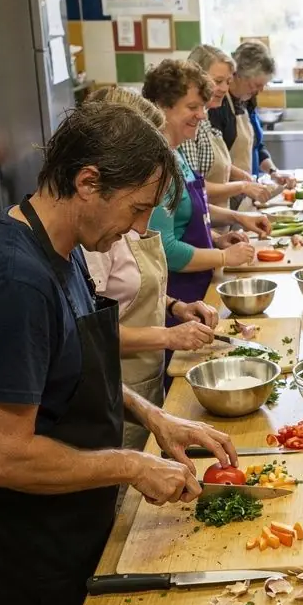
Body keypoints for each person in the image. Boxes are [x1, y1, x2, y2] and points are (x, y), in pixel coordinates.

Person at [0, 103, 239, 605]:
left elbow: (77, 368)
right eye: (133, 209)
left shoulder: (61, 254)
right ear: (88, 182)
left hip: (79, 527)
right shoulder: (15, 280)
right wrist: (129, 467)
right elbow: (0, 455)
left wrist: (153, 416)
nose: (136, 229)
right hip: (32, 550)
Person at [82, 88, 218, 447]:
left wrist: (174, 307)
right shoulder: (94, 236)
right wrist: (169, 336)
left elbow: (127, 291)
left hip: (146, 385)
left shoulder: (129, 213)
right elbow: (87, 336)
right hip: (112, 395)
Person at [142, 60, 269, 311]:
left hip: (198, 286)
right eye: (192, 107)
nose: (201, 114)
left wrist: (218, 237)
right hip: (177, 295)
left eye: (202, 106)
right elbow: (166, 248)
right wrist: (224, 257)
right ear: (162, 107)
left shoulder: (175, 154)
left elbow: (187, 214)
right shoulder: (157, 164)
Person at [179, 45, 276, 205]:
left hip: (217, 215)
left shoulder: (204, 120)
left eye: (227, 81)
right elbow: (191, 190)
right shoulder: (188, 124)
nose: (224, 88)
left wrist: (247, 178)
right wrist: (242, 186)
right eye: (218, 81)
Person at [229, 40, 293, 185]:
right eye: (257, 85)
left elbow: (257, 145)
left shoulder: (248, 100)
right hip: (230, 192)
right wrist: (247, 181)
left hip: (248, 188)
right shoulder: (220, 107)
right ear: (238, 75)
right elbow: (217, 164)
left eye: (264, 85)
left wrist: (273, 172)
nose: (260, 90)